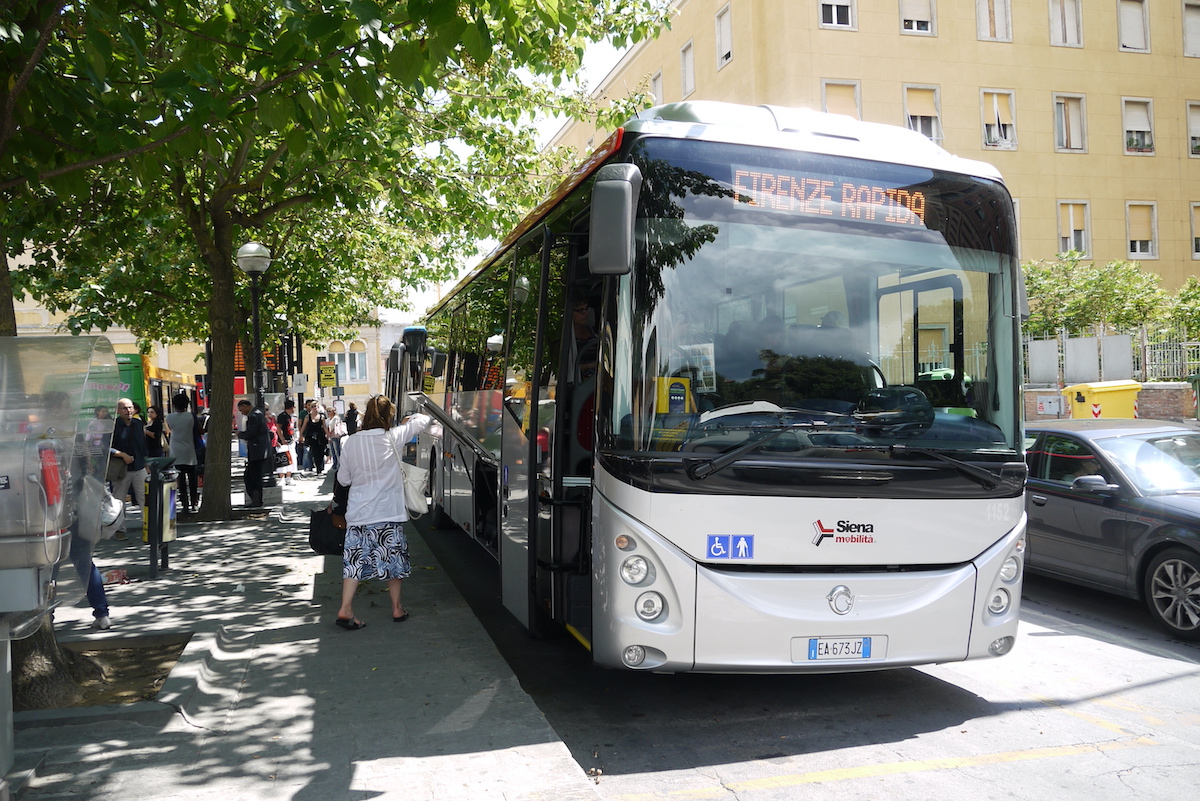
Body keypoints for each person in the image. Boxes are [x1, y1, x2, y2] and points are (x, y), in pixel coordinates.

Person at [334, 395, 432, 629]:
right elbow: (424, 420)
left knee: (354, 563)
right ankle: (397, 609)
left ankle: (346, 608)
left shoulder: (351, 442)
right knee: (393, 563)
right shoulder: (393, 437)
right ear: (388, 416)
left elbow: (343, 479)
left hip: (358, 514)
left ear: (365, 415)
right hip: (388, 513)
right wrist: (409, 420)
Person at [109, 397, 147, 540]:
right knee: (119, 500)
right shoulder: (113, 425)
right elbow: (105, 447)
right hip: (120, 469)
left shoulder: (138, 424)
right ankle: (119, 529)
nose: (128, 411)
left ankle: (149, 526)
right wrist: (122, 455)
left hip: (139, 467)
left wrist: (146, 463)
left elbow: (142, 445)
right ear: (118, 410)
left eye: (130, 407)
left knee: (144, 497)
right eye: (124, 408)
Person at [166, 394, 201, 514]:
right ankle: (194, 504)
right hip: (190, 450)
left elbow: (169, 429)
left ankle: (184, 505)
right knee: (192, 479)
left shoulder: (169, 417)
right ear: (187, 404)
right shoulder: (191, 416)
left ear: (174, 404)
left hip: (175, 450)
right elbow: (199, 430)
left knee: (180, 481)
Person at [237, 399, 272, 507]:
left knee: (253, 476)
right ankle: (256, 498)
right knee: (252, 475)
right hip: (258, 449)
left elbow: (251, 432)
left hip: (257, 450)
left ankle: (256, 498)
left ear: (245, 405)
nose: (241, 412)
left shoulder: (254, 415)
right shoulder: (257, 413)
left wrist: (240, 434)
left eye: (241, 409)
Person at [302, 400, 328, 475]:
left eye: (315, 406)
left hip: (320, 436)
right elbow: (304, 427)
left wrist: (328, 435)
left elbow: (325, 427)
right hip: (312, 437)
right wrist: (301, 435)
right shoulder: (308, 417)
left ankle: (320, 467)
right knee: (314, 452)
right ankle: (318, 469)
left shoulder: (322, 416)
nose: (314, 408)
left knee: (321, 452)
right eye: (312, 406)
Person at [275, 399, 298, 485]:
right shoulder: (282, 416)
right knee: (282, 459)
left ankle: (288, 477)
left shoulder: (290, 416)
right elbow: (278, 427)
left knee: (291, 459)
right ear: (291, 407)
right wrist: (282, 439)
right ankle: (281, 478)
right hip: (283, 441)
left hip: (290, 440)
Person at [325, 405, 346, 471]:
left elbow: (332, 427)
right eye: (327, 411)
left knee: (337, 450)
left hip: (335, 436)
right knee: (332, 451)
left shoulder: (336, 418)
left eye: (330, 411)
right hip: (330, 436)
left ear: (333, 412)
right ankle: (335, 463)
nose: (328, 413)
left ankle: (339, 464)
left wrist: (328, 434)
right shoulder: (328, 419)